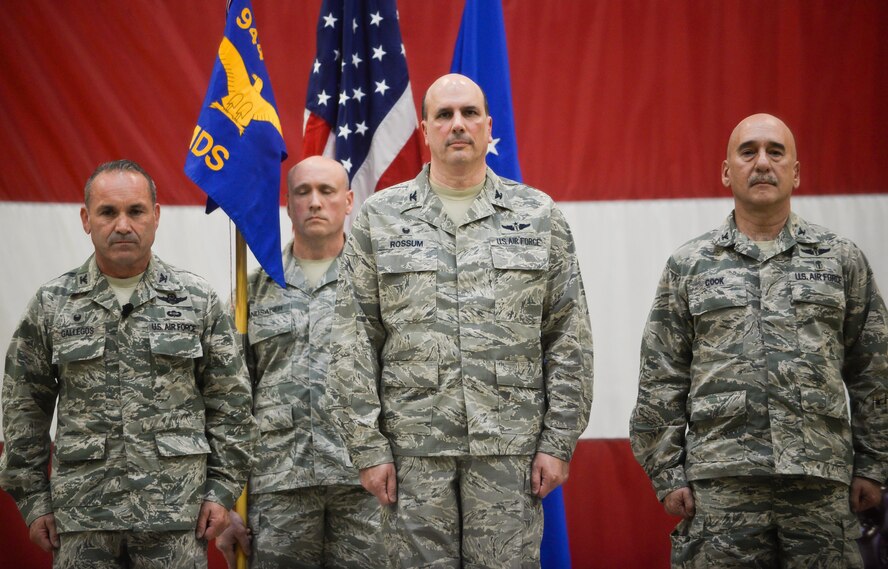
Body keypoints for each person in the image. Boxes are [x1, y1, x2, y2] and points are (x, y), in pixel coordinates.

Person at [326, 73, 594, 568]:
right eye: (444, 115)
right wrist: (368, 448)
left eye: (469, 113)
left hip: (509, 454)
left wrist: (558, 441)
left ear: (488, 126)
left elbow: (567, 336)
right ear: (424, 129)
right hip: (411, 458)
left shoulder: (538, 215)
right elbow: (352, 339)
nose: (458, 125)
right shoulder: (378, 218)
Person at [630, 114, 888, 568]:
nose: (762, 163)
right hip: (721, 489)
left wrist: (873, 464)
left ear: (796, 171)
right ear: (727, 171)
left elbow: (874, 368)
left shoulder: (841, 260)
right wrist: (667, 473)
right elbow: (661, 376)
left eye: (775, 152)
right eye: (748, 152)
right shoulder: (689, 265)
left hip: (821, 486)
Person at [0, 159, 256, 569]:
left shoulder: (197, 299)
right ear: (86, 219)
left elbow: (232, 404)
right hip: (82, 517)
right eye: (108, 212)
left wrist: (221, 490)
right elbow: (23, 408)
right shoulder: (53, 304)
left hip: (176, 516)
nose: (122, 224)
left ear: (156, 216)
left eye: (135, 211)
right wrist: (32, 500)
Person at [215, 156, 386, 568]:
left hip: (367, 485)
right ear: (287, 204)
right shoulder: (250, 292)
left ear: (348, 202)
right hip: (278, 488)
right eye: (303, 192)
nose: (314, 202)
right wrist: (224, 500)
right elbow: (226, 401)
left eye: (326, 192)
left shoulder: (379, 287)